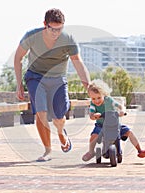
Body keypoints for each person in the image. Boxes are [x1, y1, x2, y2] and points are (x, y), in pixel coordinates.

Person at [14, 8, 90, 162]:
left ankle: (61, 133)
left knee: (58, 117)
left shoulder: (68, 39)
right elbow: (18, 58)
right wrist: (19, 84)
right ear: (45, 25)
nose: (56, 33)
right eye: (52, 29)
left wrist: (88, 86)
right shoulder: (32, 36)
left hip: (57, 79)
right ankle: (47, 150)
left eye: (59, 29)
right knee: (41, 113)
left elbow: (78, 62)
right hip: (36, 77)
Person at [82, 79, 145, 161]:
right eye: (93, 98)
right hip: (101, 125)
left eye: (99, 97)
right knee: (94, 136)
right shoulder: (93, 105)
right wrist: (94, 116)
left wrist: (122, 111)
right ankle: (91, 152)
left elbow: (120, 106)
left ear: (104, 94)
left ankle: (139, 150)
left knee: (129, 132)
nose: (96, 101)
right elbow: (91, 115)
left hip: (115, 125)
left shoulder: (109, 100)